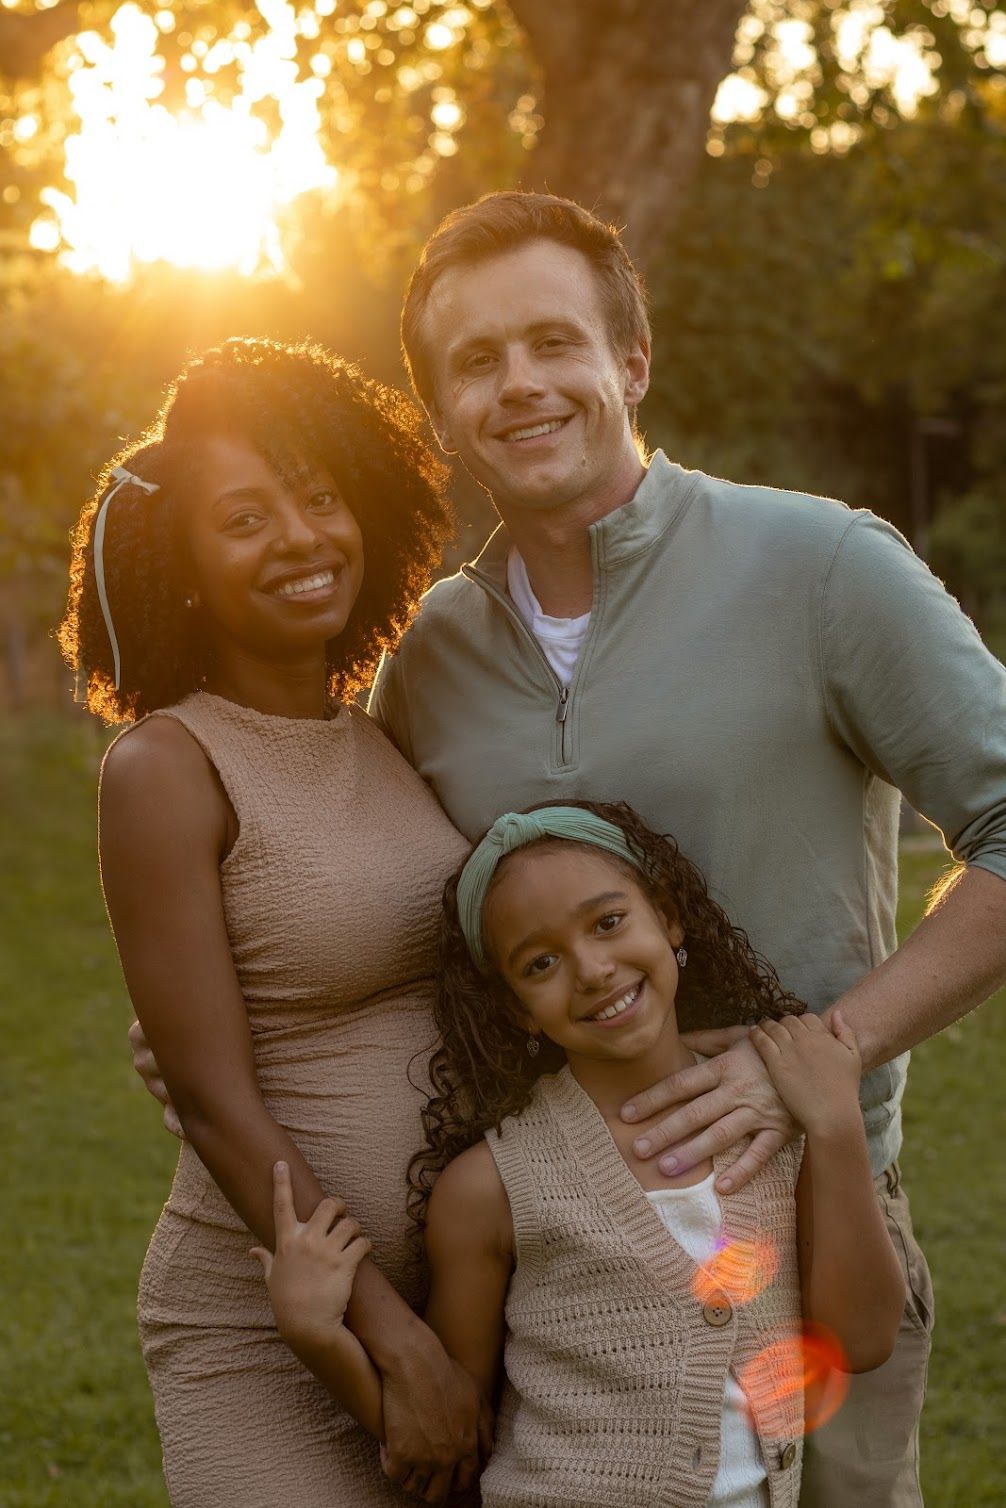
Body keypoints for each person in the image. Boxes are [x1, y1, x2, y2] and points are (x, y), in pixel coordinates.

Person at [132, 192, 1006, 1502]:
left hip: (803, 1230)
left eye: (553, 341)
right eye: (476, 362)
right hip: (552, 1263)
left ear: (630, 361)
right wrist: (223, 1038)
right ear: (437, 412)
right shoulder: (428, 655)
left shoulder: (818, 564)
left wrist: (816, 1059)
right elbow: (397, 902)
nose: (519, 384)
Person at [59, 337, 488, 1507]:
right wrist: (394, 1342)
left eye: (317, 496)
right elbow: (211, 1094)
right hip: (266, 1319)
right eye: (246, 519)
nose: (303, 539)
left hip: (462, 1304)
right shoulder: (167, 763)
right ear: (184, 565)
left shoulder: (380, 731)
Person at [253, 800, 907, 1508]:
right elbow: (450, 1435)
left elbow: (861, 1340)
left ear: (669, 918)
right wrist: (317, 1336)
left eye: (608, 922)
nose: (593, 969)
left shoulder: (780, 1123)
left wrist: (836, 1121)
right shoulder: (492, 1186)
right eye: (540, 963)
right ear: (515, 1009)